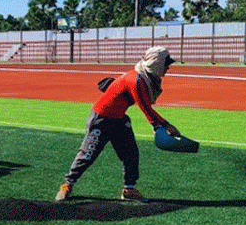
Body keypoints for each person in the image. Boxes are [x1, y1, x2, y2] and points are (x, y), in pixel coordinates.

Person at [55, 46, 179, 202]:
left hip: (119, 119)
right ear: (156, 62)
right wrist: (164, 126)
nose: (168, 67)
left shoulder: (144, 77)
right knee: (88, 155)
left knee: (131, 153)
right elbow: (145, 108)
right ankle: (68, 184)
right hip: (101, 119)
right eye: (166, 63)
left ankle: (129, 189)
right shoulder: (137, 79)